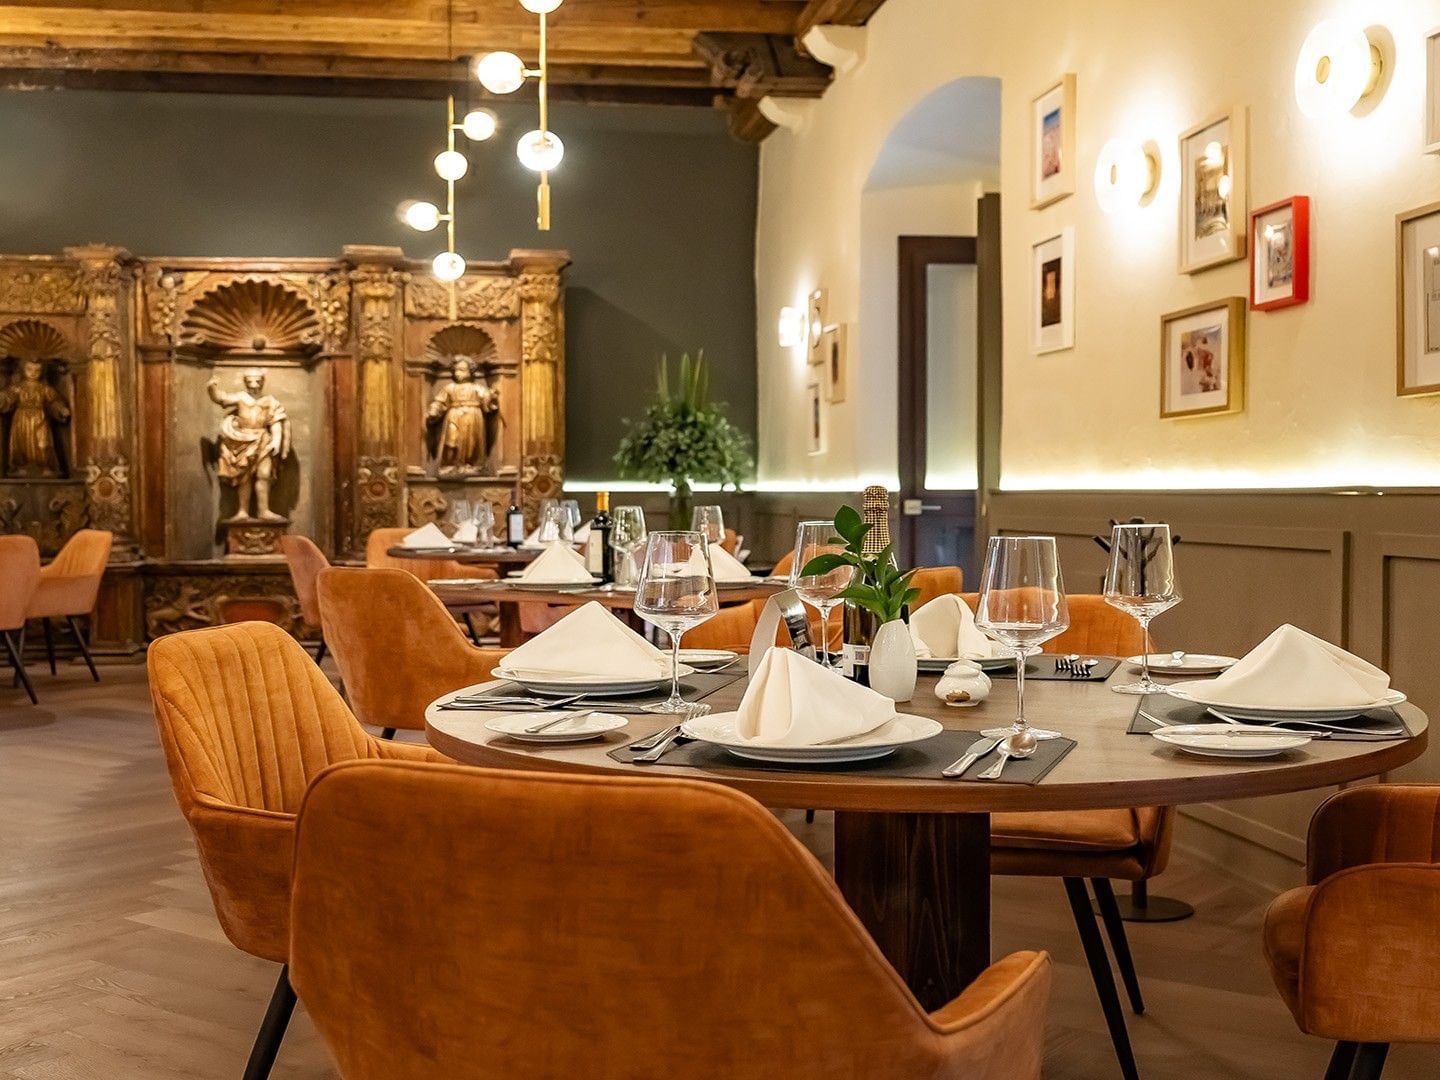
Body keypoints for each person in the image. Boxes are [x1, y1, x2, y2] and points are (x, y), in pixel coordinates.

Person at [207, 368, 290, 521]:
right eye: (250, 381)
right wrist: (211, 388)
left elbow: (276, 422)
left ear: (262, 382)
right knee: (244, 478)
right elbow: (220, 398)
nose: (254, 385)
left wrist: (276, 440)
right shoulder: (240, 397)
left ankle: (263, 511)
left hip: (263, 441)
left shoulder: (270, 401)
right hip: (242, 440)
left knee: (263, 475)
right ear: (245, 382)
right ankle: (242, 512)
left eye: (258, 381)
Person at [427, 357, 500, 474]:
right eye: (456, 370)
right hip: (454, 416)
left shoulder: (477, 388)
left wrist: (491, 397)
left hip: (473, 417)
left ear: (470, 371)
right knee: (451, 441)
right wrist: (434, 410)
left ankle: (472, 465)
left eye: (462, 370)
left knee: (472, 442)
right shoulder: (449, 388)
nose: (458, 373)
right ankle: (450, 464)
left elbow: (487, 404)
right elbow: (439, 402)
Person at [0, 359, 70, 477]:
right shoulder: (18, 387)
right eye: (29, 369)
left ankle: (46, 466)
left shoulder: (44, 388)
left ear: (41, 372)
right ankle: (20, 466)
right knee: (20, 443)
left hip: (40, 418)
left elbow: (54, 401)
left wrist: (61, 409)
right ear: (23, 370)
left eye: (37, 370)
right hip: (21, 418)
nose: (33, 373)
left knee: (43, 444)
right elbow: (7, 398)